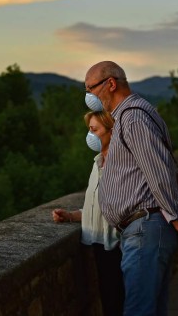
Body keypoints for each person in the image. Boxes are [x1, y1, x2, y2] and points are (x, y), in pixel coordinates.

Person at [84, 61, 178, 316]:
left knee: (139, 310)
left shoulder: (133, 117)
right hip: (144, 230)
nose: (89, 97)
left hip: (146, 229)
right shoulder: (130, 116)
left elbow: (158, 174)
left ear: (110, 84)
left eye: (90, 89)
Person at [52, 110, 124, 316]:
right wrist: (71, 216)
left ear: (112, 131)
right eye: (89, 130)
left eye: (94, 129)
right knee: (110, 300)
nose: (90, 135)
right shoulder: (98, 162)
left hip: (118, 245)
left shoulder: (122, 166)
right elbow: (97, 207)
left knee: (119, 302)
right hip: (100, 244)